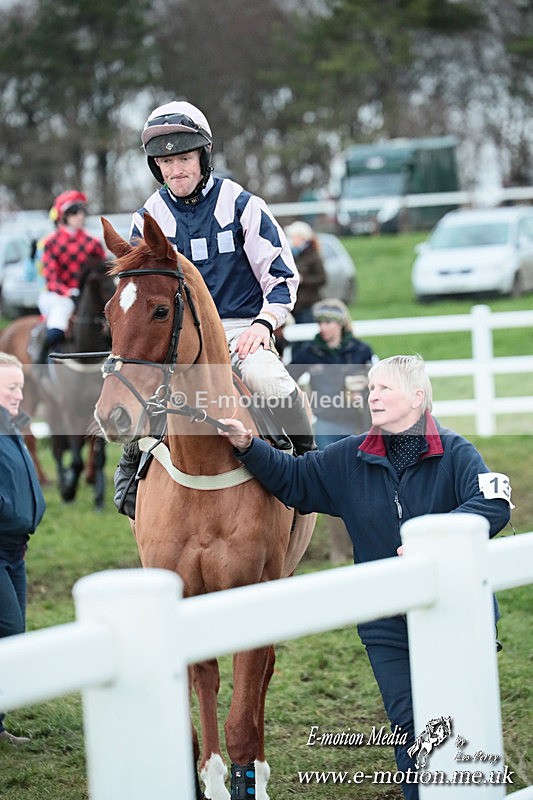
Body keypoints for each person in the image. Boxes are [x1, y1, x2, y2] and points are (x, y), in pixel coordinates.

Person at [217, 355, 511, 800]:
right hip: (386, 624)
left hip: (457, 612)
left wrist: (435, 539)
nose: (372, 395)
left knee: (462, 721)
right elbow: (295, 479)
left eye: (385, 388)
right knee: (411, 726)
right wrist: (248, 445)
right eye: (371, 388)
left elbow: (494, 503)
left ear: (417, 396)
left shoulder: (456, 451)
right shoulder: (349, 457)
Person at [114, 100, 316, 517]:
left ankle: (306, 464)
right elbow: (134, 297)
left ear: (203, 157)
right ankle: (131, 472)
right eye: (166, 162)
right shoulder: (147, 218)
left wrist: (265, 324)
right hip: (176, 336)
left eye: (184, 158)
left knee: (271, 381)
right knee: (135, 391)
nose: (176, 170)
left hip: (241, 330)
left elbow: (281, 276)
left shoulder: (243, 205)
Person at [289, 297, 377, 561]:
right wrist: (303, 398)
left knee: (363, 483)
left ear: (340, 323)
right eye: (320, 322)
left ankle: (364, 543)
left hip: (359, 423)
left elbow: (379, 381)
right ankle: (341, 551)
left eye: (328, 322)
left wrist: (365, 387)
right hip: (326, 424)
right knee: (335, 484)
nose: (323, 327)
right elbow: (285, 380)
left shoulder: (361, 351)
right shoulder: (309, 352)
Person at [0, 353, 46, 745]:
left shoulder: (10, 425)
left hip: (15, 551)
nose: (19, 394)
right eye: (12, 388)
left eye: (21, 386)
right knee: (9, 630)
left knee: (13, 638)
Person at [36, 190, 106, 362]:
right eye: (74, 212)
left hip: (88, 296)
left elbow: (102, 272)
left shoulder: (94, 242)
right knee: (55, 331)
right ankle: (40, 364)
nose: (80, 216)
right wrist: (69, 292)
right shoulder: (50, 242)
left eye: (82, 211)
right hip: (60, 296)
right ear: (63, 215)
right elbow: (51, 279)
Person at [284, 221, 327, 324]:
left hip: (307, 305)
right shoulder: (291, 254)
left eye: (293, 236)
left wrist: (303, 279)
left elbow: (322, 278)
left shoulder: (313, 255)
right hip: (294, 305)